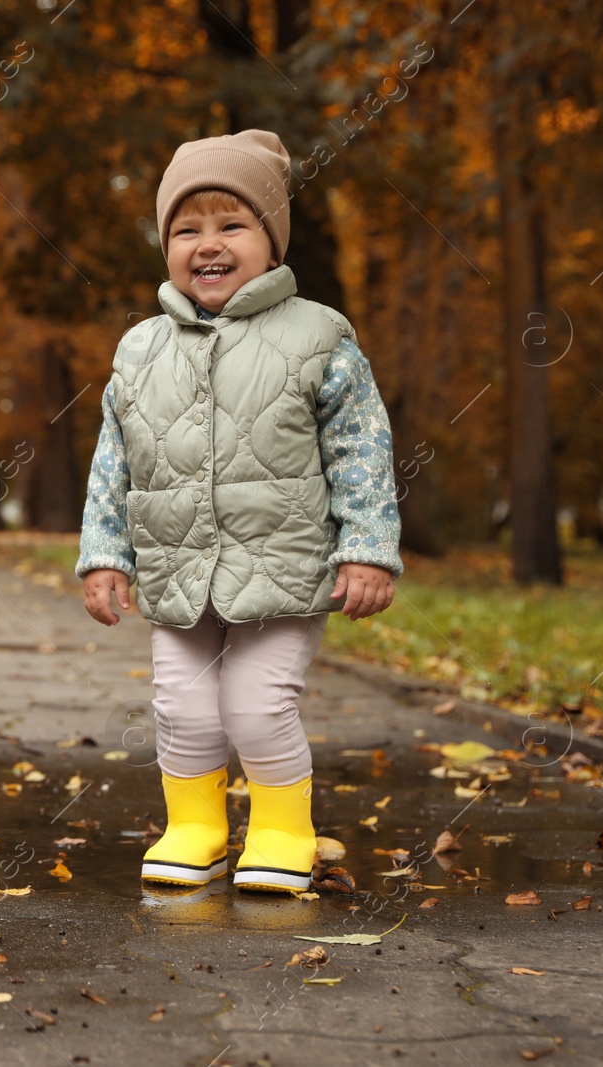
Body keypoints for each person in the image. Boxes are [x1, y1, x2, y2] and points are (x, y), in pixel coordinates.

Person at [76, 129, 403, 895]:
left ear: (271, 240)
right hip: (180, 569)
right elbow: (113, 463)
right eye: (186, 229)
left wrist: (368, 546)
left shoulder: (319, 337)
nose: (208, 245)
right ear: (165, 246)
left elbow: (362, 451)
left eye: (232, 225)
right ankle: (197, 825)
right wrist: (104, 553)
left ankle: (285, 827)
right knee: (183, 709)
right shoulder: (140, 350)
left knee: (256, 706)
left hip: (287, 567)